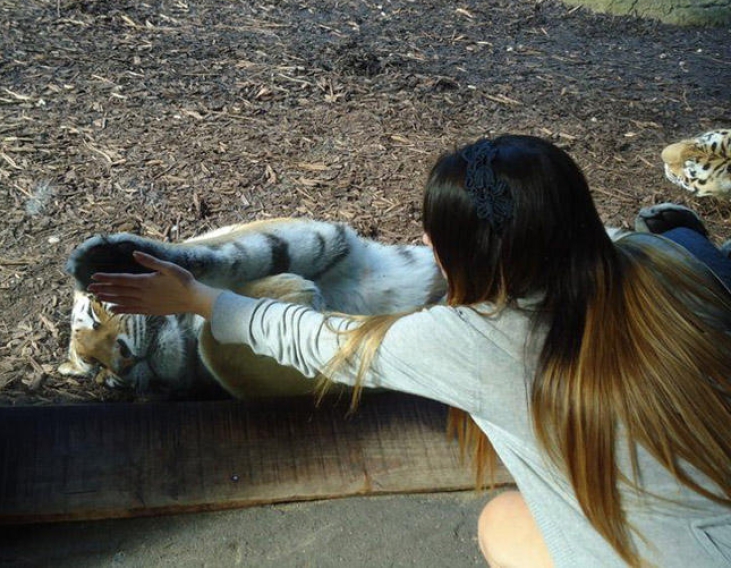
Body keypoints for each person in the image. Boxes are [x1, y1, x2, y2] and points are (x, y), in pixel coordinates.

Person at [87, 135, 731, 568]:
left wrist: (200, 297)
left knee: (499, 525)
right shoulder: (669, 263)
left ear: (448, 247)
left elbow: (313, 340)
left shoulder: (474, 339)